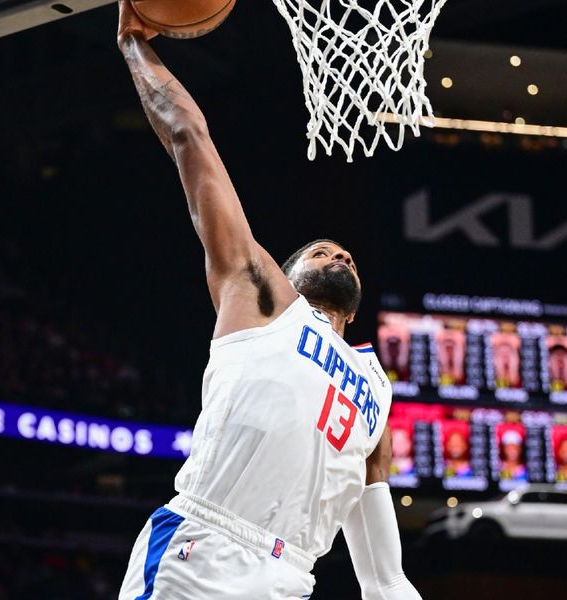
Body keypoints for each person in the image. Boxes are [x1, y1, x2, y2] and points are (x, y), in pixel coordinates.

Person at [115, 3, 419, 599]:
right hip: (204, 552)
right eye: (321, 252)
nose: (340, 256)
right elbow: (189, 138)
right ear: (285, 276)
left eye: (347, 256)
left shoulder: (374, 389)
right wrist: (134, 46)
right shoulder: (262, 300)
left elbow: (382, 573)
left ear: (356, 309)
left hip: (290, 578)